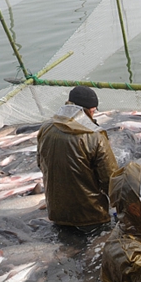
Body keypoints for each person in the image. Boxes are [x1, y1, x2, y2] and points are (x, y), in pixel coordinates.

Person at [37, 85, 119, 233]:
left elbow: (40, 163)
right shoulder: (95, 136)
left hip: (56, 213)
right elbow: (110, 180)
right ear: (90, 110)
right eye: (93, 111)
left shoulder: (46, 127)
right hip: (91, 216)